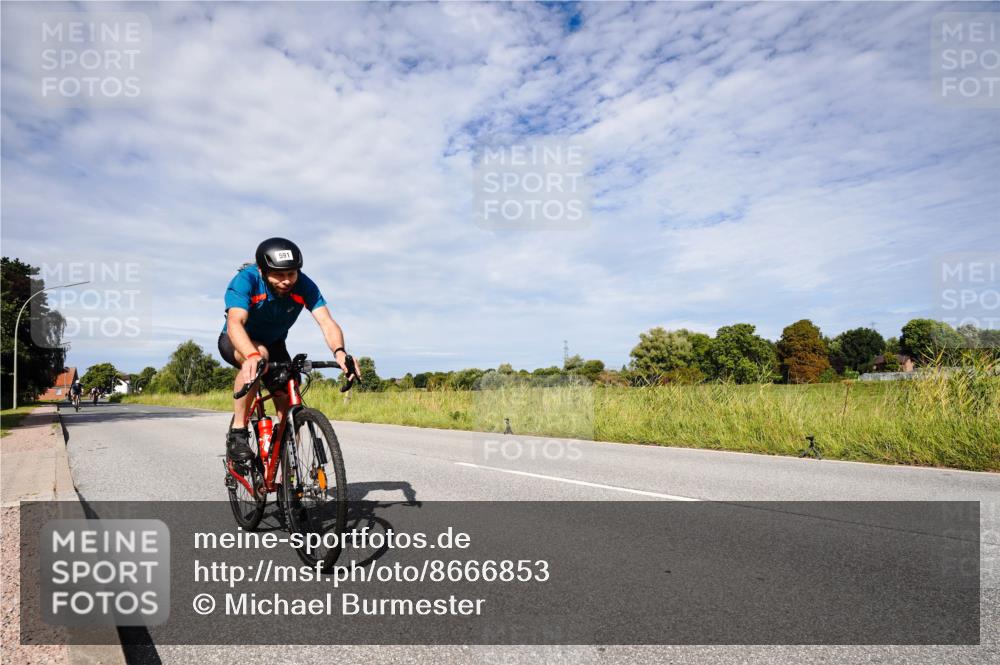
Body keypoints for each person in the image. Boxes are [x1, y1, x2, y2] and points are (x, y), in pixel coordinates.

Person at [218, 237, 358, 462]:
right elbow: (236, 323)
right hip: (237, 339)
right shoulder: (246, 280)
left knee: (290, 398)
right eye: (279, 275)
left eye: (291, 274)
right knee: (259, 357)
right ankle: (238, 432)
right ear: (263, 271)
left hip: (275, 344)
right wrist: (252, 355)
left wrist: (340, 352)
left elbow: (327, 322)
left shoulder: (304, 285)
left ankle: (285, 469)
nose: (286, 281)